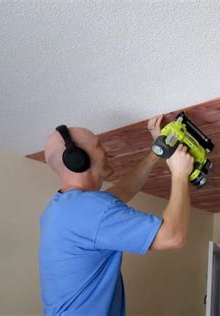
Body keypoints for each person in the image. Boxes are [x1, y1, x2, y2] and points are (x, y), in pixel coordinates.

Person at [38, 114, 194, 315]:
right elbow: (173, 237)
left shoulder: (61, 207)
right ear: (78, 160)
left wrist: (156, 151)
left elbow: (124, 191)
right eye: (99, 145)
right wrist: (180, 174)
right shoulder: (93, 210)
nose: (107, 149)